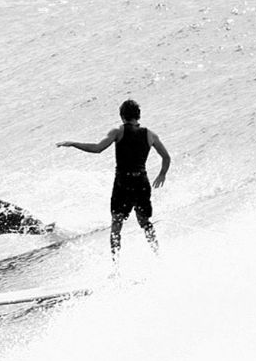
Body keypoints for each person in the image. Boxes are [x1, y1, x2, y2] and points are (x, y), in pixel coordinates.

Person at [56, 99, 171, 264]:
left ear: (122, 116)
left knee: (116, 226)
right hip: (141, 182)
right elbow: (166, 157)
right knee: (145, 222)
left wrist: (73, 143)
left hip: (123, 184)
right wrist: (162, 175)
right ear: (138, 116)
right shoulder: (150, 135)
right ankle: (158, 256)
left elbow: (97, 148)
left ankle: (116, 267)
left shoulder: (118, 131)